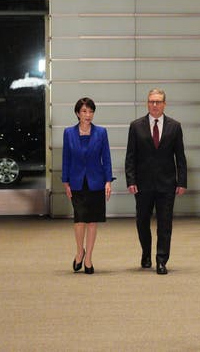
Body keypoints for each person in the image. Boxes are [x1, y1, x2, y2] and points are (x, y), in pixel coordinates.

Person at [125, 88, 187, 275]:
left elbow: (180, 157)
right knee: (142, 222)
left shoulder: (174, 127)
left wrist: (181, 181)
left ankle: (161, 260)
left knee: (165, 224)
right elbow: (130, 156)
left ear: (164, 104)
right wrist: (131, 180)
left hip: (167, 184)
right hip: (142, 185)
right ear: (147, 103)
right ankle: (146, 253)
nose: (155, 105)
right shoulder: (136, 126)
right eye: (152, 101)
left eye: (158, 101)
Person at [62, 97, 113, 275]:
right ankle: (79, 252)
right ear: (77, 113)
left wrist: (108, 181)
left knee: (92, 221)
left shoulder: (101, 132)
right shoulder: (68, 133)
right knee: (79, 220)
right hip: (76, 181)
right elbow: (66, 159)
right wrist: (65, 182)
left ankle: (89, 257)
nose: (88, 115)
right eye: (84, 111)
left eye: (90, 111)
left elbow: (106, 158)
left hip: (96, 181)